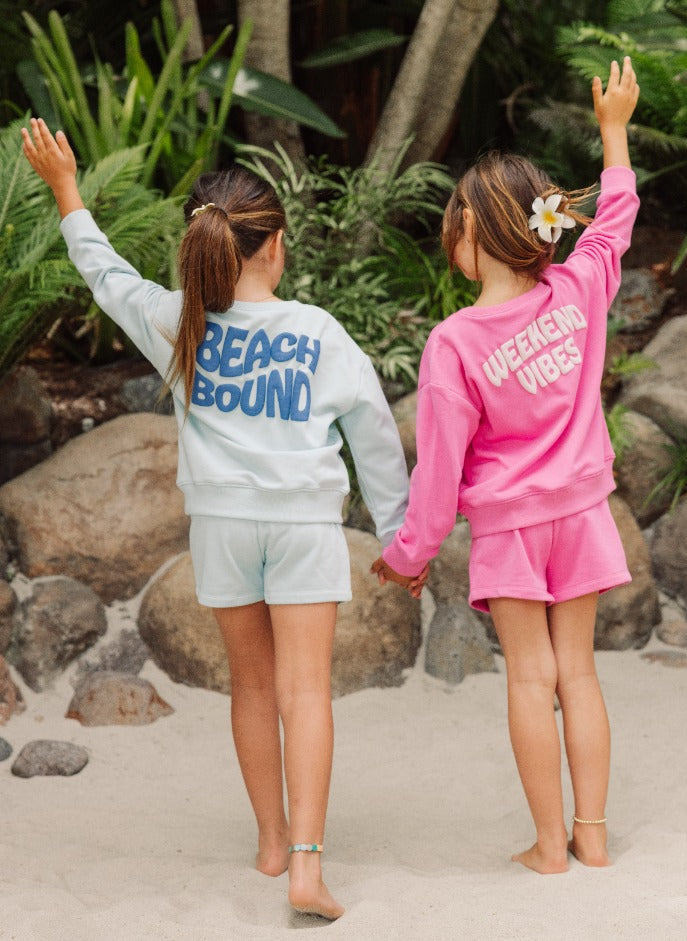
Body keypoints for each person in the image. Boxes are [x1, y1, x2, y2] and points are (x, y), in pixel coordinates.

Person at [22, 119, 415, 918]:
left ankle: (269, 840)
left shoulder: (179, 321)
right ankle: (305, 864)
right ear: (274, 247)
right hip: (302, 529)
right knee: (306, 692)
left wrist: (66, 188)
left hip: (222, 531)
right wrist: (401, 535)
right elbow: (374, 433)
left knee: (252, 686)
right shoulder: (317, 332)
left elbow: (104, 273)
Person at [372, 58, 640, 874]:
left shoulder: (454, 343)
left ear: (473, 232)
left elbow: (438, 472)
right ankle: (592, 835)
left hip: (511, 530)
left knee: (530, 678)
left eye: (451, 222)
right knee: (578, 673)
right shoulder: (577, 288)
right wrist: (613, 132)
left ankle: (549, 847)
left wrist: (409, 555)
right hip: (583, 512)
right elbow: (614, 219)